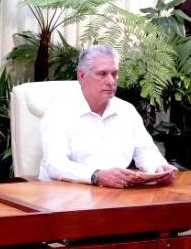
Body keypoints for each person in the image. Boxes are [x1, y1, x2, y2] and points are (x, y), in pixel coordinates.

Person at [38, 45, 177, 188]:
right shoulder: (59, 112)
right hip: (65, 196)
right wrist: (96, 176)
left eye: (115, 73)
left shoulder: (127, 111)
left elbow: (146, 152)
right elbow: (55, 164)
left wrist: (159, 168)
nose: (111, 81)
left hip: (115, 195)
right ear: (82, 76)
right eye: (102, 73)